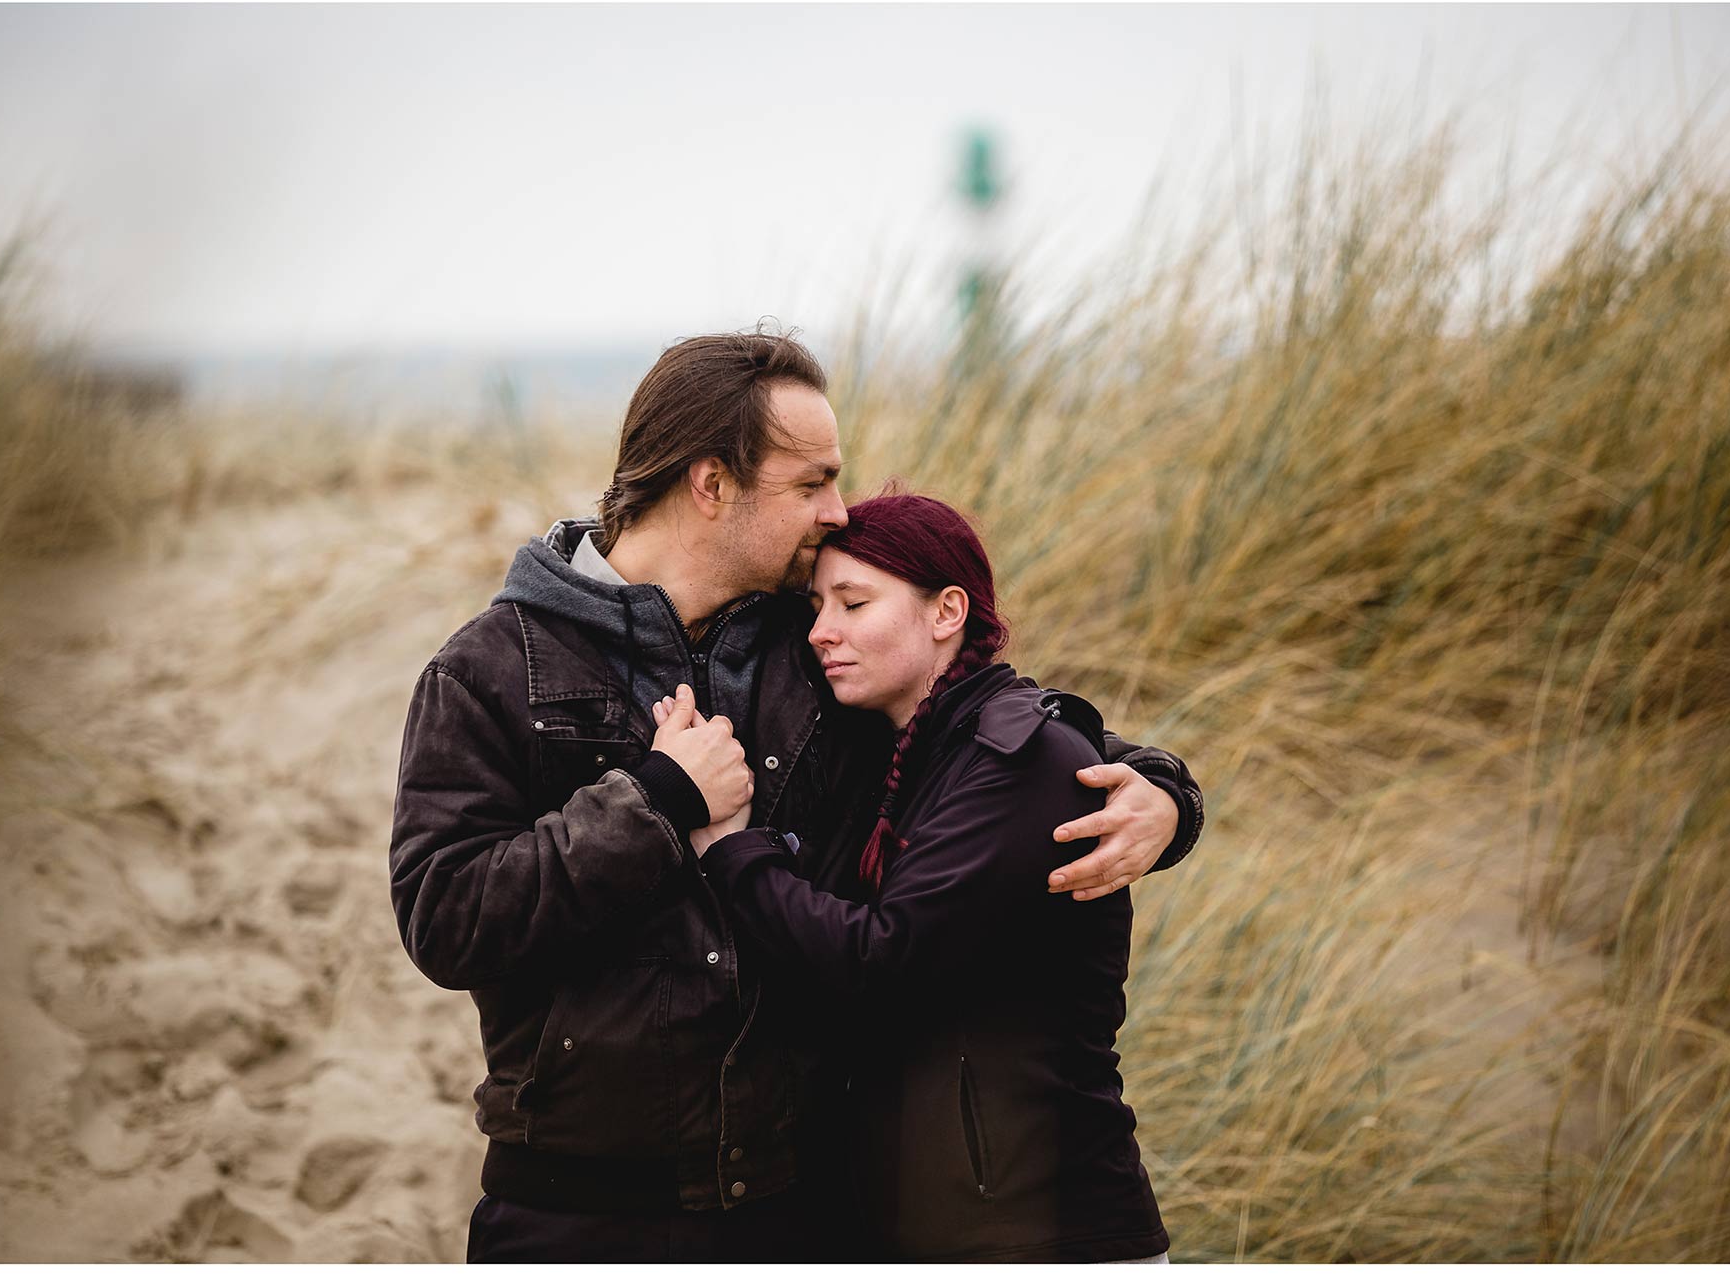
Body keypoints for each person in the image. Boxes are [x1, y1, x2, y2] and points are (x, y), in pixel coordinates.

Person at [388, 328, 1205, 1261]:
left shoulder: (814, 649)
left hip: (804, 1205)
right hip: (575, 1209)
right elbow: (443, 917)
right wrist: (655, 799)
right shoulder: (490, 669)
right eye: (811, 482)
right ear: (711, 484)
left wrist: (1165, 792)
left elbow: (990, 730)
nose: (837, 509)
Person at [693, 492, 1171, 1262]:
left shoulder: (1013, 758)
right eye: (818, 604)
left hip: (1051, 1230)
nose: (822, 630)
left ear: (947, 611)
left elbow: (878, 959)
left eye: (854, 602)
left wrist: (731, 850)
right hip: (946, 1223)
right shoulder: (920, 747)